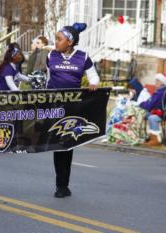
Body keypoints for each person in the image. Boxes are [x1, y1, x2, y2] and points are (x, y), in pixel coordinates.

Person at [46, 23, 99, 198]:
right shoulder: (51, 55)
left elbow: (94, 77)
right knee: (57, 145)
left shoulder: (83, 57)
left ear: (69, 42)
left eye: (59, 39)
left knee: (67, 147)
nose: (56, 42)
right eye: (56, 39)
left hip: (73, 109)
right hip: (54, 108)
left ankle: (64, 185)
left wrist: (93, 84)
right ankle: (59, 185)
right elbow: (48, 80)